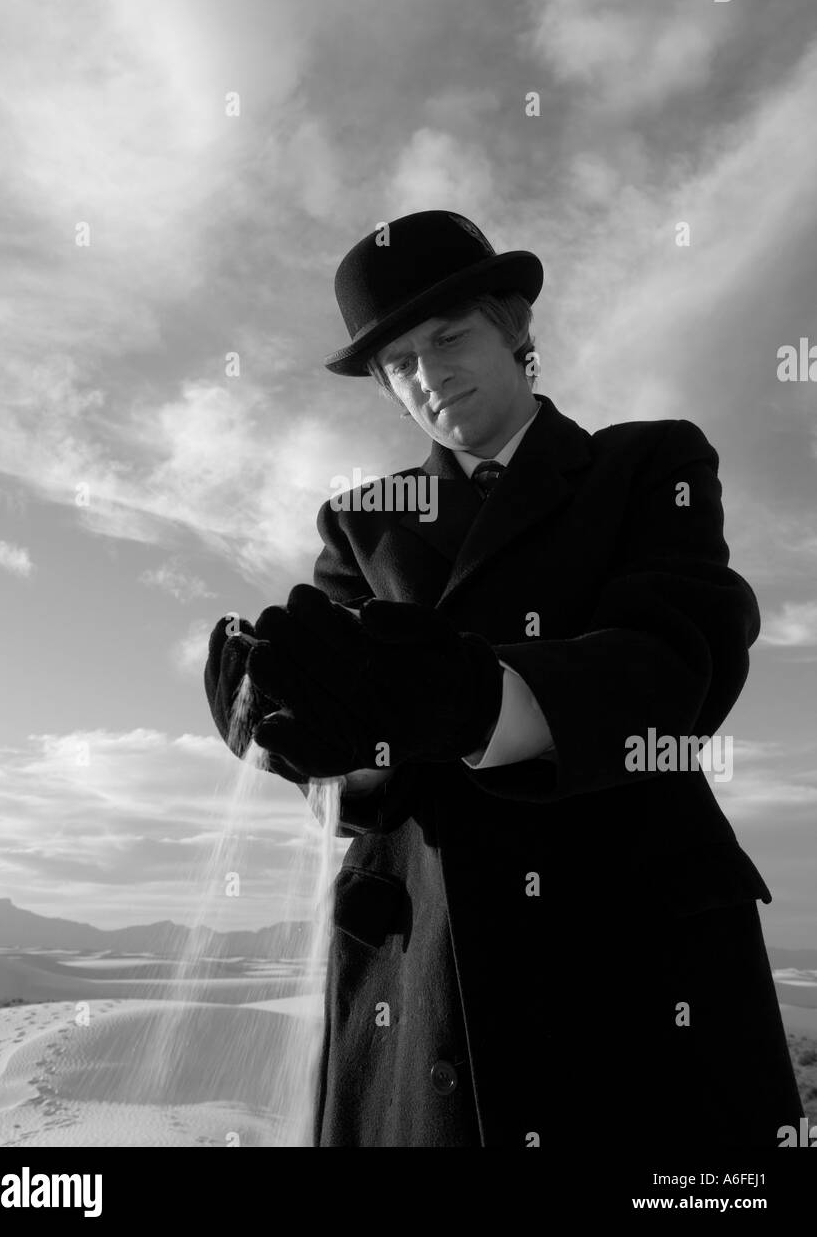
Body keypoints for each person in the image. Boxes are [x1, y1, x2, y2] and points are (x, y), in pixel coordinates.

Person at [205, 209, 803, 1149]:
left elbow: (676, 664)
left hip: (631, 950)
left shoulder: (649, 464)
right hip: (423, 973)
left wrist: (481, 700)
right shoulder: (361, 526)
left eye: (450, 337)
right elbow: (364, 771)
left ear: (514, 330)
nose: (429, 376)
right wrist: (288, 731)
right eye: (398, 363)